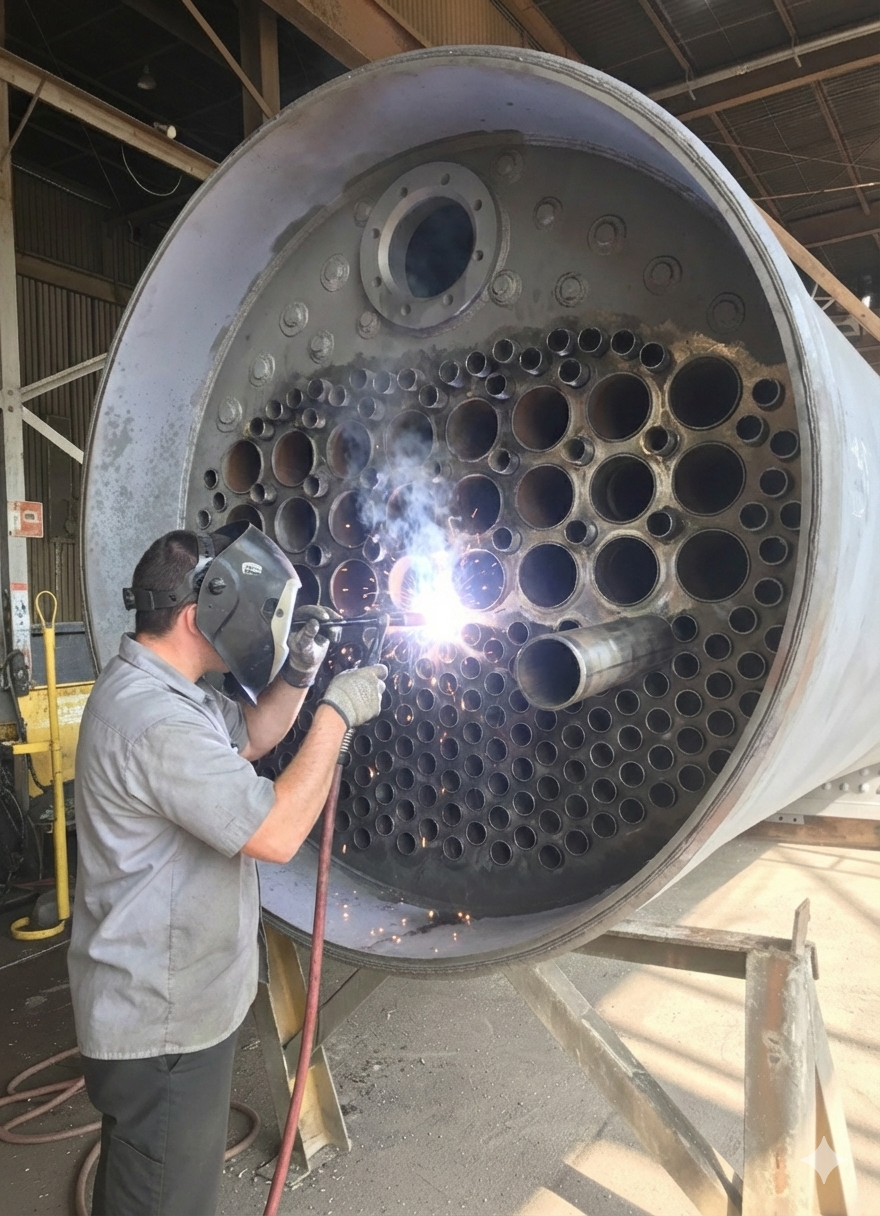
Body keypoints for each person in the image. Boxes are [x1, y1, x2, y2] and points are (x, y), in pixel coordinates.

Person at [67, 525, 386, 1216]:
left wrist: (303, 673)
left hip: (173, 1012)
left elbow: (251, 735)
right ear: (195, 613)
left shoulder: (168, 690)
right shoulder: (155, 720)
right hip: (160, 1026)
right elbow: (274, 832)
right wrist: (336, 714)